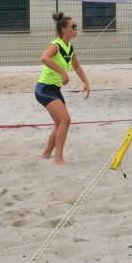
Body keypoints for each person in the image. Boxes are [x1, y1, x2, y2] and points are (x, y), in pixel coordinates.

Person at [35, 12, 91, 165]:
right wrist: (63, 73)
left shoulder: (69, 48)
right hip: (44, 88)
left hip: (54, 89)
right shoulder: (56, 45)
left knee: (60, 123)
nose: (76, 29)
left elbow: (77, 66)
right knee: (65, 119)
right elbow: (44, 58)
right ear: (64, 30)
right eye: (73, 26)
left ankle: (46, 154)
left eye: (76, 26)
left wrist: (86, 82)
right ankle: (58, 159)